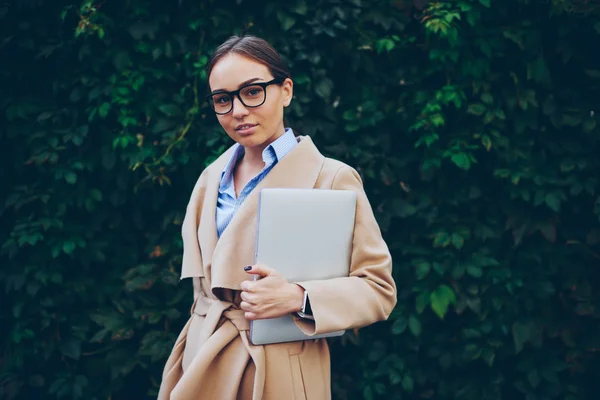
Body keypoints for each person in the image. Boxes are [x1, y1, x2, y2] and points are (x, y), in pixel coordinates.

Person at [158, 35, 397, 400]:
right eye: (223, 99)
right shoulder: (210, 177)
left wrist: (298, 297)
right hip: (203, 358)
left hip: (280, 370)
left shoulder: (332, 177)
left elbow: (378, 289)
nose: (238, 110)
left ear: (286, 90)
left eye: (253, 91)